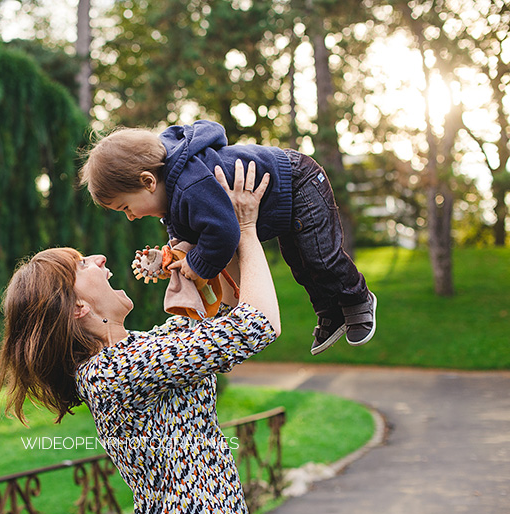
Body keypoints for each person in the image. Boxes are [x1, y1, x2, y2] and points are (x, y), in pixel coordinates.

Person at [0, 160, 280, 514]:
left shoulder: (140, 348)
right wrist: (247, 230)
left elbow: (230, 311)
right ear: (77, 307)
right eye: (81, 265)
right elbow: (257, 325)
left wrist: (203, 251)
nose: (99, 259)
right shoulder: (112, 372)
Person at [79, 119, 376, 355]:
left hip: (298, 182)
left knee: (320, 256)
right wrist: (168, 255)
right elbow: (186, 231)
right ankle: (329, 312)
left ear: (147, 181)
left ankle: (358, 299)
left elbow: (223, 233)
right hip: (280, 203)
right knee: (300, 262)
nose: (130, 216)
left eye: (126, 207)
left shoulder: (190, 183)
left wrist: (196, 264)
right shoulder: (173, 191)